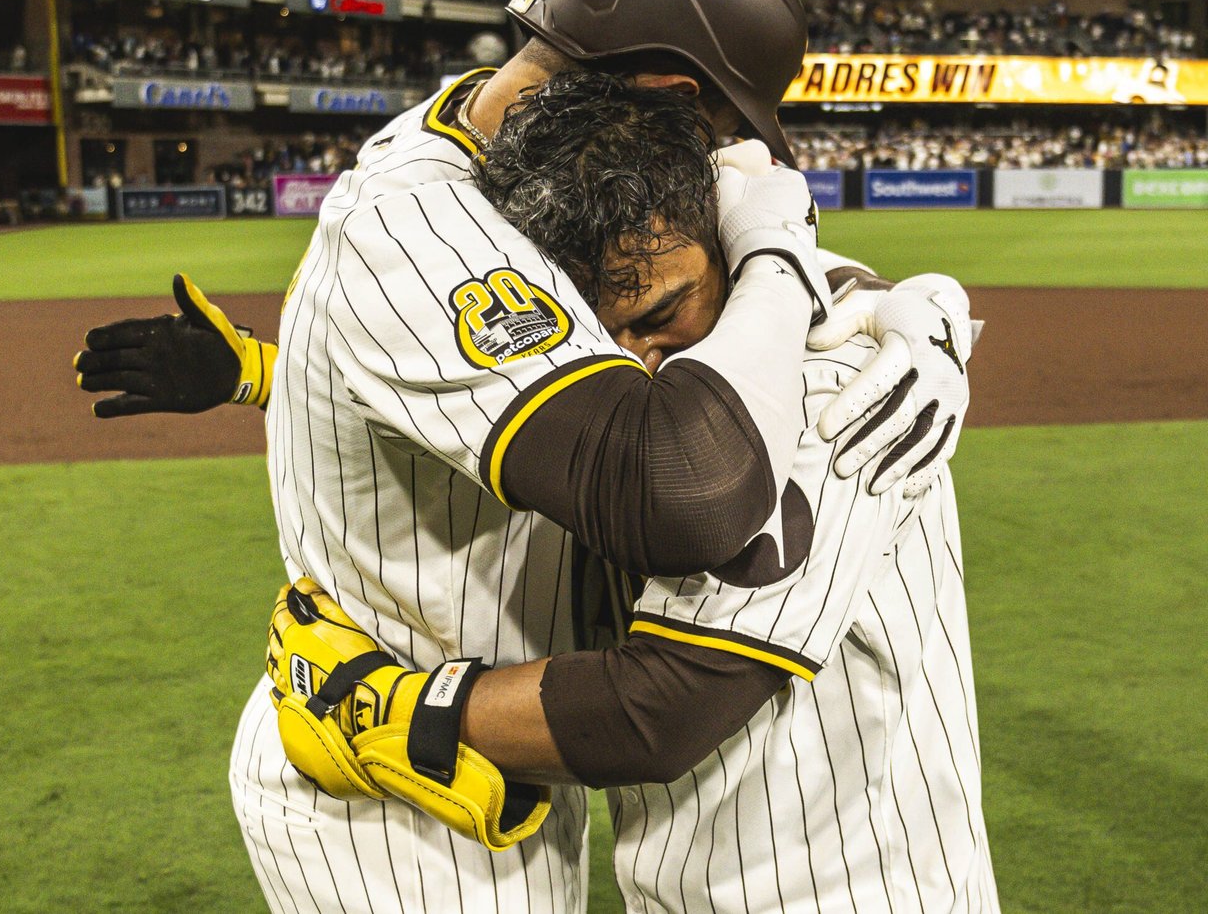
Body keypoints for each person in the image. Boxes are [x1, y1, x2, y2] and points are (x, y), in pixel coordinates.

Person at [75, 0, 974, 913]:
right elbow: (677, 491)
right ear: (669, 93)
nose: (735, 167)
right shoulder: (421, 218)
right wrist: (779, 249)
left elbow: (582, 337)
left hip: (507, 754)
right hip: (388, 790)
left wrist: (923, 311)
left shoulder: (534, 174)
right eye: (721, 134)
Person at [265, 73, 996, 913]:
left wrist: (399, 710)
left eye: (663, 312)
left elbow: (661, 705)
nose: (638, 360)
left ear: (735, 246)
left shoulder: (845, 390)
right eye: (605, 333)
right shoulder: (663, 414)